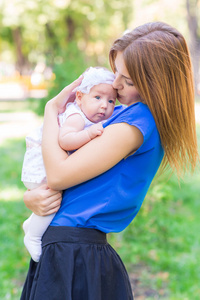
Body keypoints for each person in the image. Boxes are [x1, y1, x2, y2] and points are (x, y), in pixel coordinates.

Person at [20, 22, 198, 300]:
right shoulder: (125, 116)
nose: (115, 85)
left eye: (127, 80)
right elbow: (67, 175)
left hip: (75, 254)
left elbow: (58, 174)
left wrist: (51, 109)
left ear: (156, 83)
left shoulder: (137, 123)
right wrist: (33, 198)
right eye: (117, 73)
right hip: (68, 246)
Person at [21, 66, 117, 262]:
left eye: (110, 101)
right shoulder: (76, 117)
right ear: (79, 97)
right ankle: (33, 235)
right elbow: (65, 140)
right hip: (41, 168)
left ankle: (30, 223)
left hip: (49, 164)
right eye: (97, 98)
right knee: (52, 199)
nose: (104, 106)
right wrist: (89, 134)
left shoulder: (86, 116)